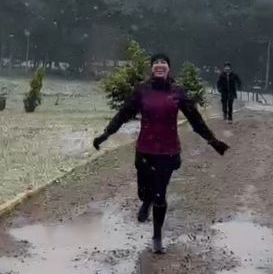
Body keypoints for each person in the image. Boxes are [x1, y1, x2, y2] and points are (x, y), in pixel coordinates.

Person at [92, 52, 229, 254]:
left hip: (168, 150)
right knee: (143, 191)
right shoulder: (141, 91)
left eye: (163, 62)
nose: (159, 65)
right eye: (156, 62)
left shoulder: (178, 92)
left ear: (168, 68)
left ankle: (157, 236)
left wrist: (212, 140)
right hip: (145, 149)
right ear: (151, 67)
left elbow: (195, 119)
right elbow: (123, 114)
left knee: (160, 193)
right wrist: (106, 134)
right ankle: (145, 201)